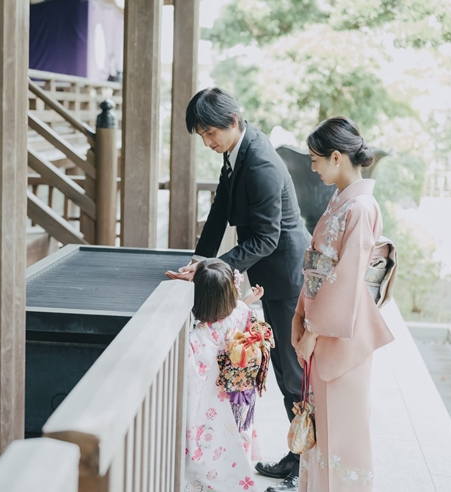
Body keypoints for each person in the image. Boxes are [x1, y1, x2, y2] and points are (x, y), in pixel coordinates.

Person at [167, 87, 310, 491]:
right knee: (286, 371)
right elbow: (219, 211)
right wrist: (199, 260)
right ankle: (298, 455)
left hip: (283, 276)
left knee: (291, 372)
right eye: (202, 136)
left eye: (211, 133)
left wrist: (215, 268)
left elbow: (266, 238)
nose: (208, 143)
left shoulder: (260, 162)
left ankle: (305, 463)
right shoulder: (237, 150)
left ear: (233, 121)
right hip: (269, 271)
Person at [291, 117, 395, 491]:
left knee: (344, 429)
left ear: (337, 157)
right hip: (325, 324)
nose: (313, 167)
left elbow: (347, 278)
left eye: (316, 159)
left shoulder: (361, 207)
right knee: (323, 424)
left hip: (341, 330)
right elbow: (318, 267)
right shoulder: (342, 201)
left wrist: (313, 331)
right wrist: (301, 316)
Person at [184, 258, 273, 491]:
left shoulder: (197, 337)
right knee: (238, 434)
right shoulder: (241, 312)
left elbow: (192, 377)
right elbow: (240, 314)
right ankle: (237, 477)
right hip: (239, 393)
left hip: (212, 401)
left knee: (211, 441)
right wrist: (249, 301)